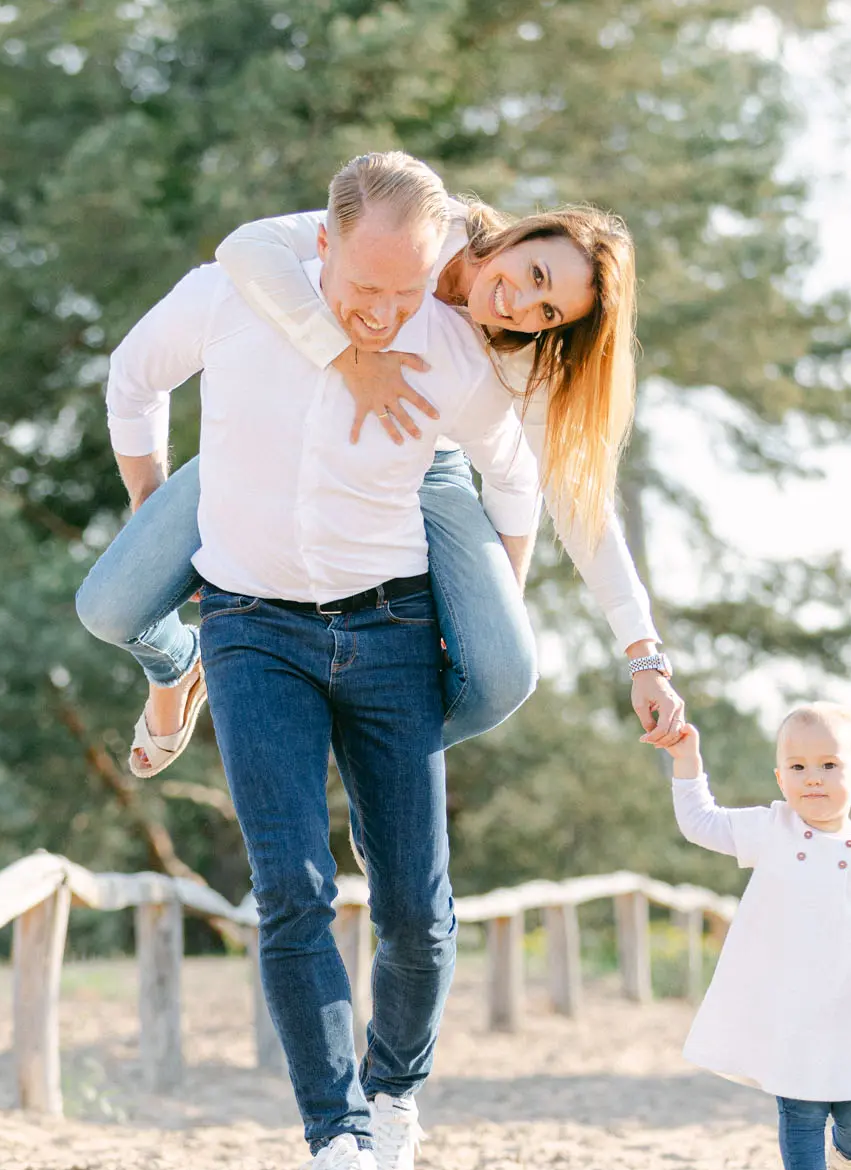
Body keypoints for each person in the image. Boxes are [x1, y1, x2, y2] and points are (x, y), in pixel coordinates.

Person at [101, 152, 541, 1170]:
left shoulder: (447, 350)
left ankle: (392, 1104)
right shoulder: (235, 300)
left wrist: (502, 595)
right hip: (251, 632)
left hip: (389, 631)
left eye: (405, 289)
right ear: (321, 246)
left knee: (415, 912)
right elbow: (132, 375)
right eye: (363, 290)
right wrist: (165, 512)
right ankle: (333, 1138)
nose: (384, 313)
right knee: (291, 890)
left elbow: (513, 472)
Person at [76, 189, 685, 779]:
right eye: (537, 275)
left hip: (427, 469)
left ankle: (385, 780)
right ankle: (181, 667)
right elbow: (250, 248)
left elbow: (571, 505)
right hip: (280, 440)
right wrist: (348, 359)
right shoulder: (426, 221)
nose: (522, 305)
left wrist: (640, 654)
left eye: (548, 313)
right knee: (110, 608)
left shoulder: (523, 356)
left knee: (502, 673)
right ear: (526, 233)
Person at [665, 703, 851, 1170]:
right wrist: (687, 760)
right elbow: (700, 822)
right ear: (780, 777)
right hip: (791, 1008)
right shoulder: (774, 829)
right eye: (798, 767)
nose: (813, 779)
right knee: (801, 1108)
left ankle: (843, 1168)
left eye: (829, 765)